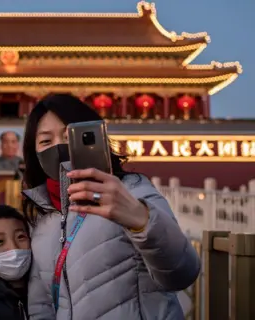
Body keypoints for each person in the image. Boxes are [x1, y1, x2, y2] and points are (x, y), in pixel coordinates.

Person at [21, 94, 201, 320]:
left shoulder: (131, 191)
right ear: (34, 153)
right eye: (45, 141)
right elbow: (41, 305)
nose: (58, 146)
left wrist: (142, 221)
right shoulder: (43, 219)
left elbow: (182, 274)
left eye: (68, 136)